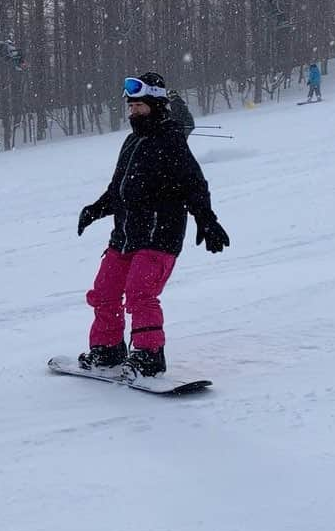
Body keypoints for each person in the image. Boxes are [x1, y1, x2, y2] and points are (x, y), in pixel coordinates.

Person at [76, 72, 230, 377]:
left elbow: (194, 185)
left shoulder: (170, 141)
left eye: (140, 107)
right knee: (104, 292)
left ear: (157, 105)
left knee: (140, 294)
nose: (133, 112)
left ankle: (149, 356)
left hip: (160, 235)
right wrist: (96, 209)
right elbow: (119, 188)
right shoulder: (132, 141)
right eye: (130, 107)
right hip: (125, 236)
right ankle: (107, 351)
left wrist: (207, 220)